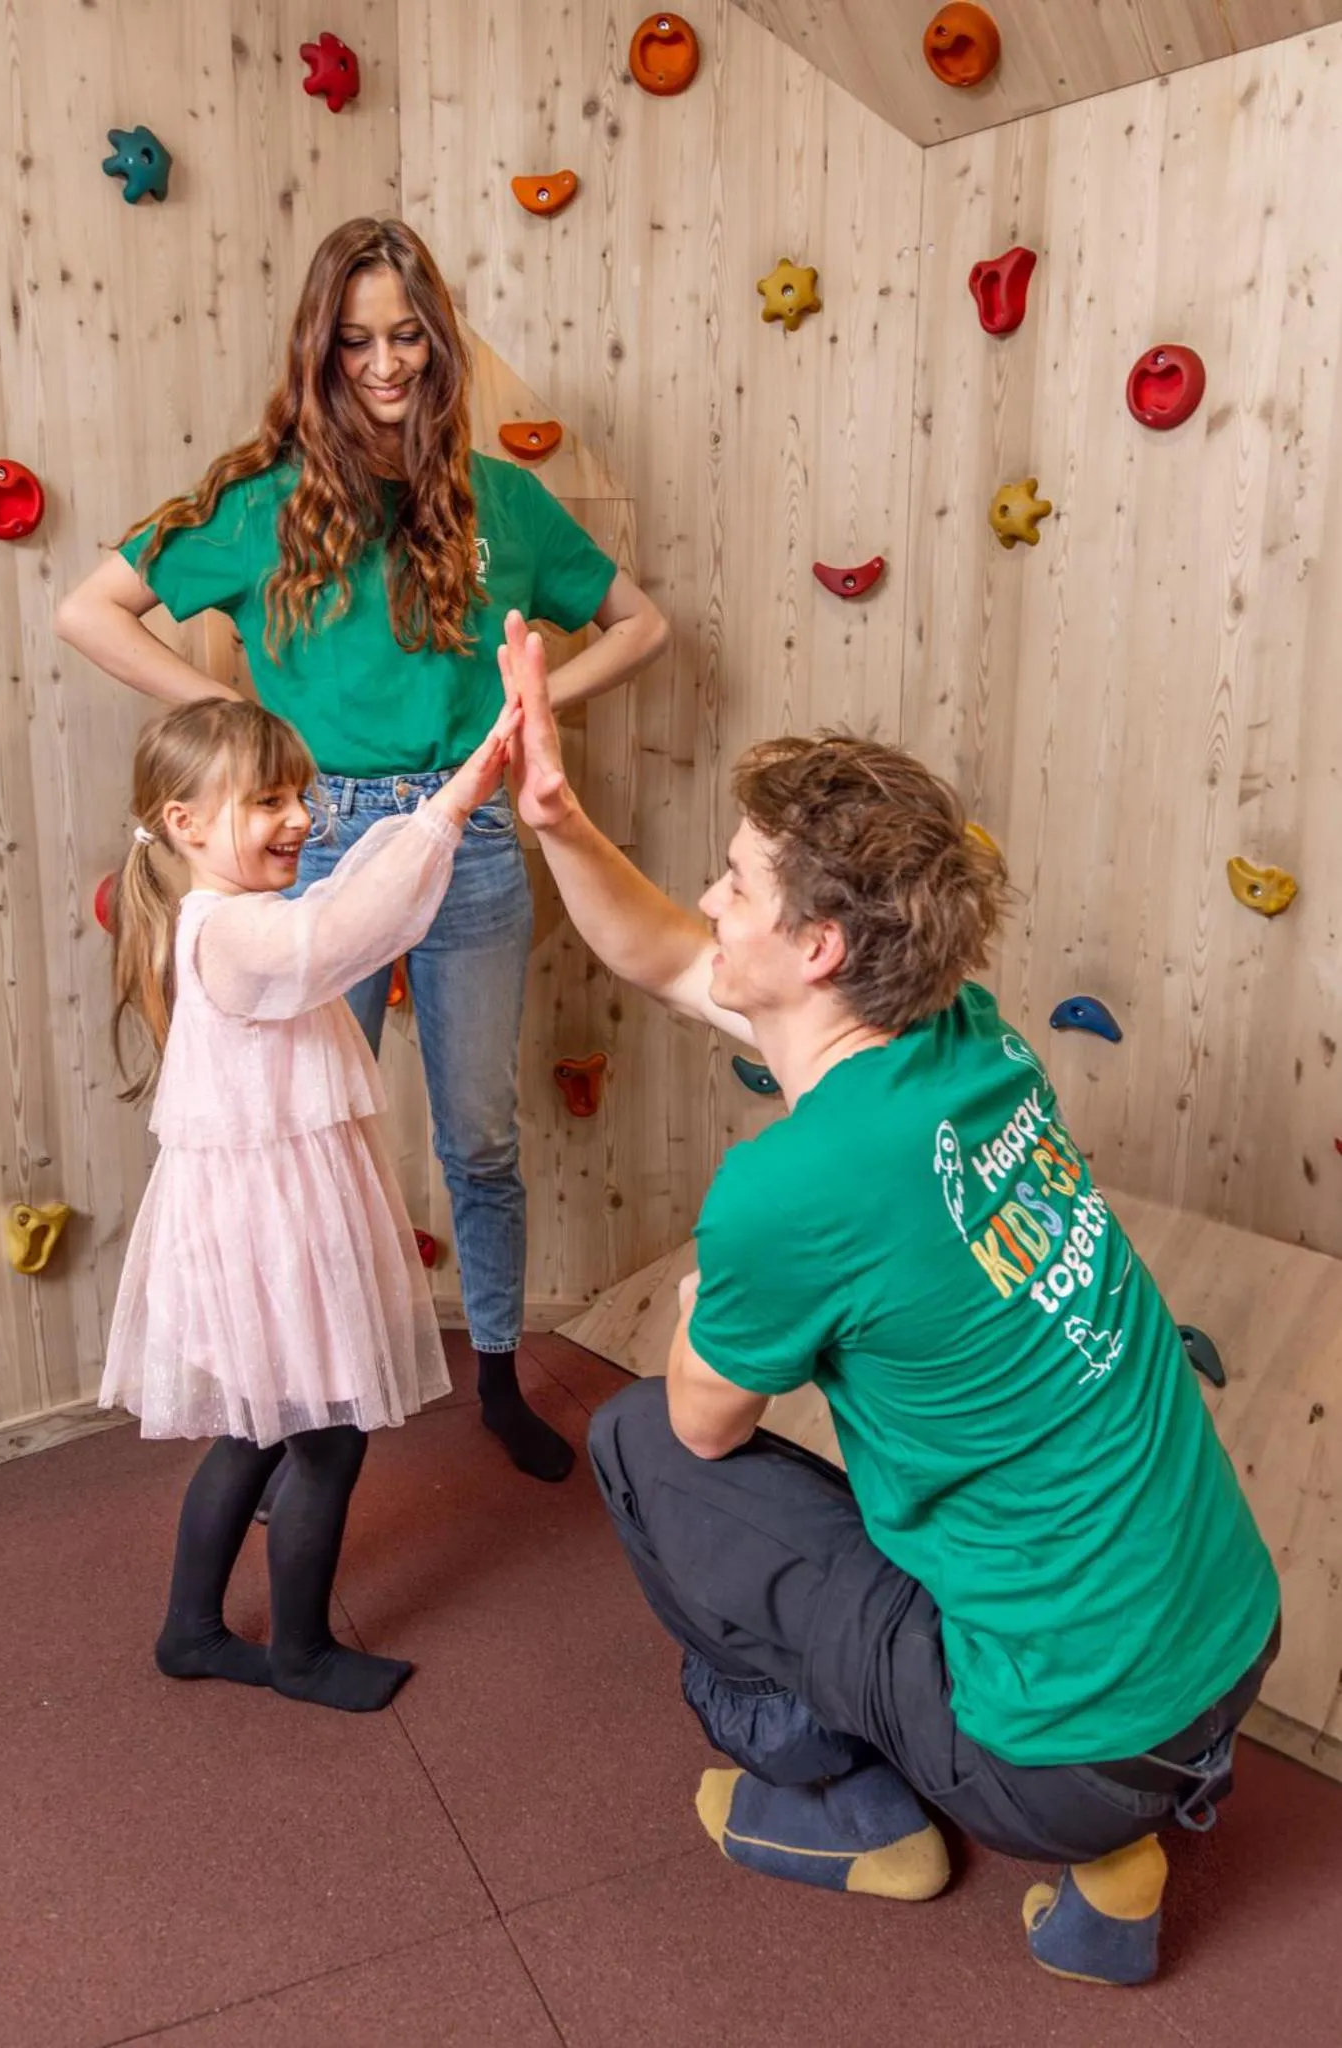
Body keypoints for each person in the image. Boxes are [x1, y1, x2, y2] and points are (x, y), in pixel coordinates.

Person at [496, 609, 1281, 1986]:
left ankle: (857, 1812)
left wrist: (693, 1311)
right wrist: (556, 818)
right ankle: (1124, 1863)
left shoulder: (793, 1189)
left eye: (738, 881)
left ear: (814, 951)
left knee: (636, 1444)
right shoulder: (967, 1040)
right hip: (1228, 1654)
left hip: (1059, 1753)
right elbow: (675, 959)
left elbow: (702, 1429)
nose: (712, 897)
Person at [56, 216, 670, 1490]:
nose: (383, 365)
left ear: (436, 344)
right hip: (311, 845)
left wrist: (528, 715)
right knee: (301, 1140)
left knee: (480, 1138)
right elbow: (89, 608)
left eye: (405, 337)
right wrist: (243, 727)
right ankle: (286, 1407)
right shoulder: (260, 502)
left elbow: (642, 621)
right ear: (320, 352)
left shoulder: (501, 499)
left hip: (472, 844)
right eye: (355, 342)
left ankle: (495, 1373)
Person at [100, 690, 519, 1712]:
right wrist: (453, 803)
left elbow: (342, 899)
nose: (298, 820)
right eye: (267, 802)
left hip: (263, 1206)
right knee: (326, 1434)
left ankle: (191, 1630)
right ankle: (300, 1652)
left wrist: (434, 811)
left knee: (255, 1430)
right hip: (267, 1219)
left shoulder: (227, 913)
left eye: (300, 795)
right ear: (188, 823)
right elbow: (347, 926)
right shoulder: (242, 935)